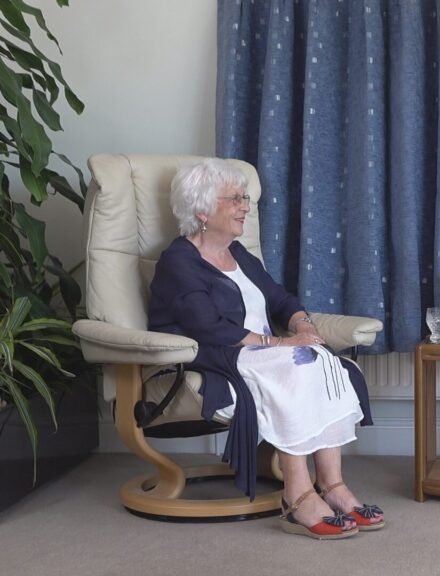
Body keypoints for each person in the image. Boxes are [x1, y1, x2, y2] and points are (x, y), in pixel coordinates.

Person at [148, 159, 384, 540]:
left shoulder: (238, 254)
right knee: (297, 363)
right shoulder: (178, 261)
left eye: (245, 198)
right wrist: (279, 343)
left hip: (260, 354)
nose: (245, 206)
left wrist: (302, 325)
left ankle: (333, 485)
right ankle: (298, 496)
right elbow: (207, 326)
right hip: (216, 356)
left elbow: (280, 299)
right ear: (202, 211)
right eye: (235, 199)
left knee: (319, 359)